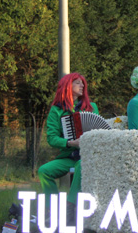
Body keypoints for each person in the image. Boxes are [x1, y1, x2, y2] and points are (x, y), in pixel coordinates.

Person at [39, 73, 99, 208]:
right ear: (67, 86)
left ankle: (71, 205)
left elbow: (99, 132)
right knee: (44, 171)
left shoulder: (91, 107)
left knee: (81, 164)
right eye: (78, 82)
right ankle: (53, 208)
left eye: (83, 83)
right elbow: (52, 138)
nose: (82, 85)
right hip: (69, 156)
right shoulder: (57, 110)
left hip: (88, 156)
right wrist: (70, 143)